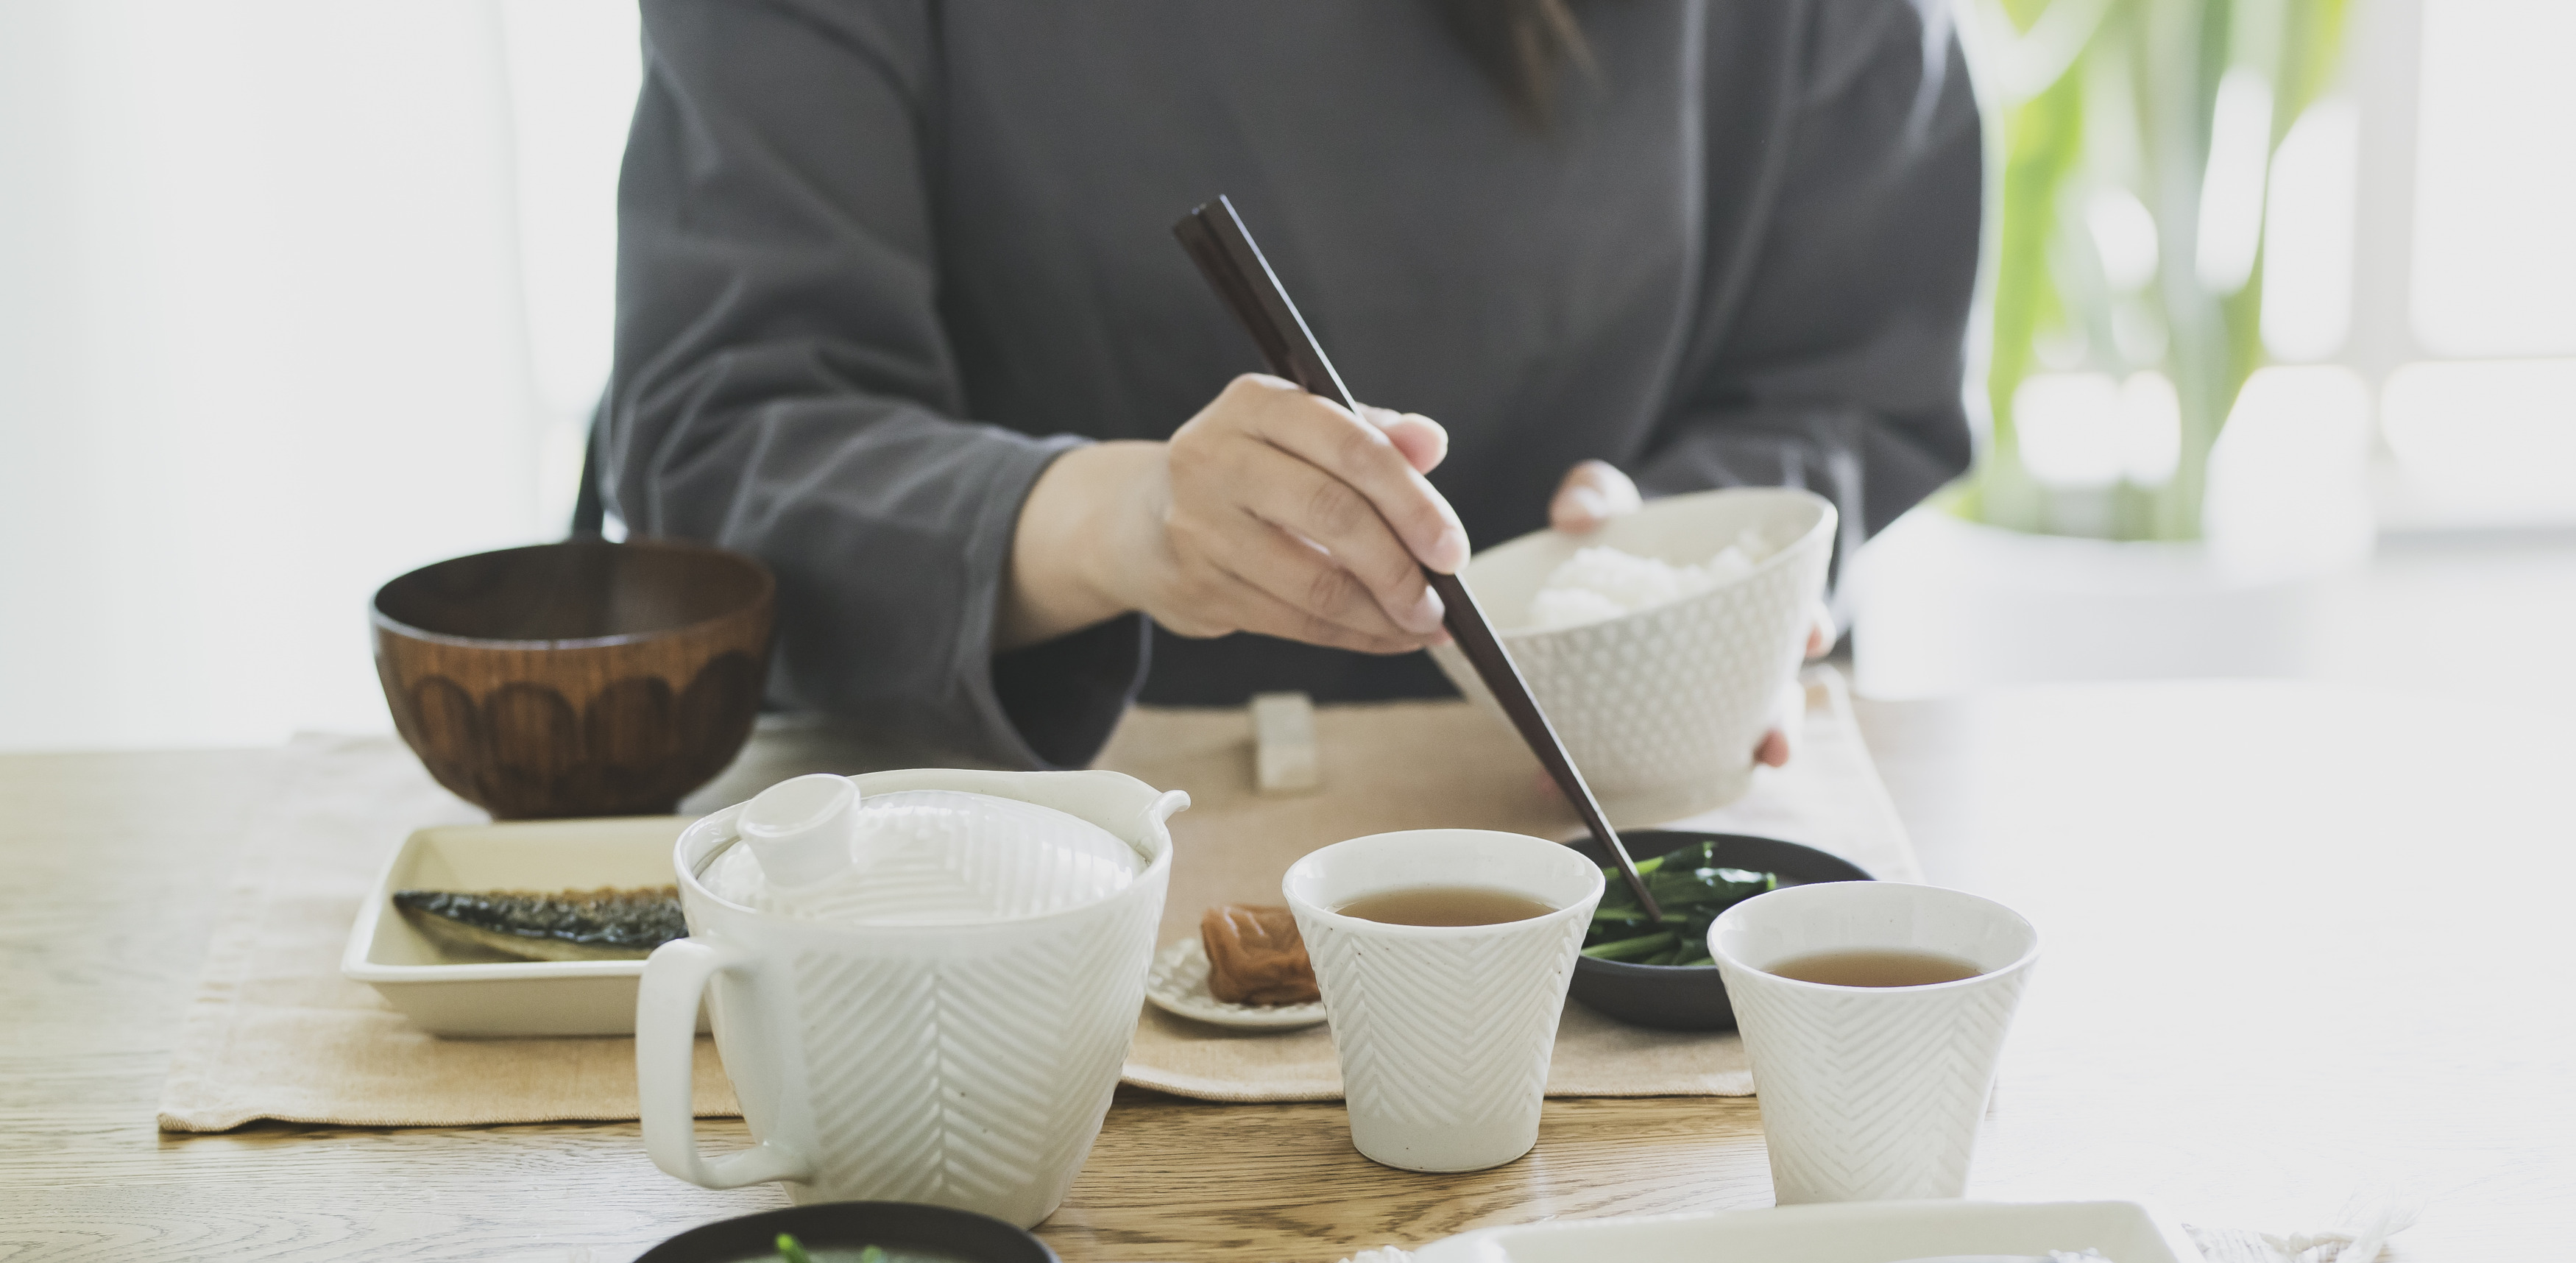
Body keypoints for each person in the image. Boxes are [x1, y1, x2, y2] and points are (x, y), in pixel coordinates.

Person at [605, 0, 1981, 771]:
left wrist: (1692, 574)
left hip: (1625, 800)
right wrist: (1124, 521)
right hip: (1020, 856)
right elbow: (724, 418)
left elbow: (1853, 366)